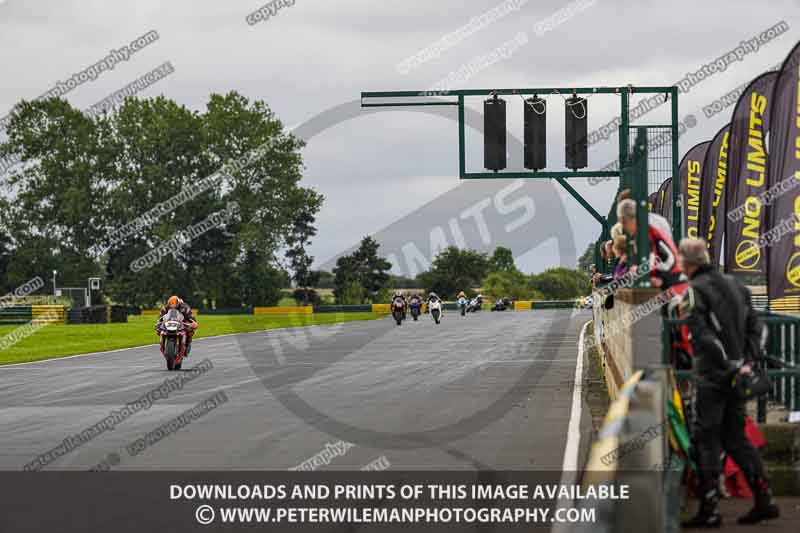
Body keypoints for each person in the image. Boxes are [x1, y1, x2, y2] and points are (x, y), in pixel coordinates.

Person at [677, 238, 778, 527]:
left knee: (705, 439)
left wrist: (727, 365)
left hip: (712, 377)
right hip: (738, 376)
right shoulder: (738, 286)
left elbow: (703, 336)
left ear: (686, 263)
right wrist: (747, 363)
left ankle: (709, 509)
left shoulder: (694, 291)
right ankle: (765, 498)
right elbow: (758, 329)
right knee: (736, 438)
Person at [617, 198, 681, 290]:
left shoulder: (649, 229)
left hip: (672, 284)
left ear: (623, 220)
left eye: (623, 224)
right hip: (669, 281)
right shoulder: (648, 224)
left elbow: (668, 258)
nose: (625, 229)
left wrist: (649, 276)